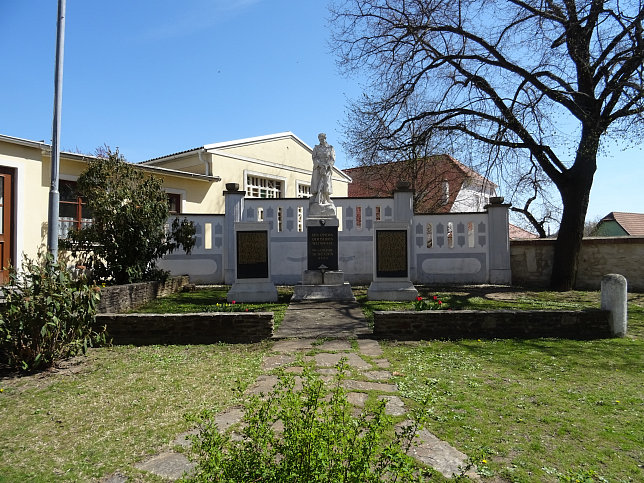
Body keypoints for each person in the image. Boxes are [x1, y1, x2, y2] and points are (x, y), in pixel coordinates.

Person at [310, 133, 335, 210]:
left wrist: (327, 166)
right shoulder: (316, 148)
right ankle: (316, 198)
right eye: (320, 139)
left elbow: (332, 159)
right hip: (318, 168)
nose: (321, 140)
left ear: (325, 138)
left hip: (327, 168)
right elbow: (314, 157)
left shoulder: (330, 148)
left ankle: (327, 198)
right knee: (317, 183)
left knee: (326, 183)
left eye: (322, 138)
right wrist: (320, 165)